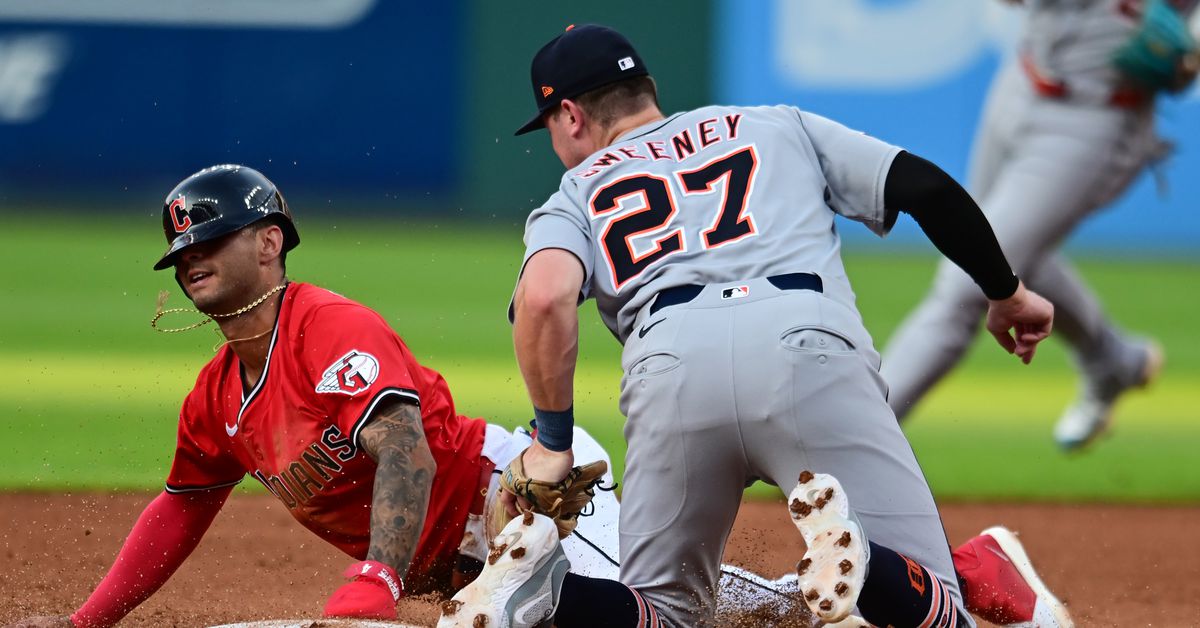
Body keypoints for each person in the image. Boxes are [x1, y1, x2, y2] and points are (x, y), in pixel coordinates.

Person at [2, 163, 890, 628]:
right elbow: (181, 508)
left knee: (677, 617)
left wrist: (377, 576)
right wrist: (89, 621)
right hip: (467, 561)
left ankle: (910, 585)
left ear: (269, 242)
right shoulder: (214, 397)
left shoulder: (325, 327)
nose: (193, 258)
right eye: (180, 253)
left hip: (524, 501)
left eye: (216, 238)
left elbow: (408, 447)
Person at [440, 23, 1064, 628]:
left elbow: (544, 300)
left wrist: (553, 442)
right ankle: (866, 565)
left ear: (571, 115)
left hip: (670, 369)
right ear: (646, 88)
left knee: (665, 614)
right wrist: (1006, 294)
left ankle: (548, 594)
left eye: (549, 124)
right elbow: (924, 186)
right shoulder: (775, 125)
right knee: (938, 609)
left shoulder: (575, 192)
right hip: (807, 347)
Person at [881, 0, 1198, 450]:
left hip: (1093, 121)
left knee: (965, 283)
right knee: (986, 245)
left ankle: (854, 439)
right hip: (1022, 80)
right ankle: (1111, 359)